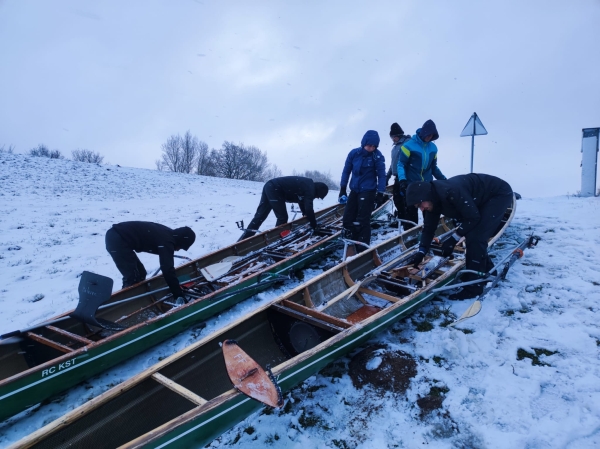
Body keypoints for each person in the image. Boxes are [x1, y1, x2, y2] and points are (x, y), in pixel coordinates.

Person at [406, 173, 513, 300]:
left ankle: (474, 287)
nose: (422, 209)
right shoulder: (432, 201)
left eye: (420, 205)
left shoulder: (451, 192)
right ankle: (487, 271)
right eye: (418, 207)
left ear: (426, 195)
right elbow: (428, 229)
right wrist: (421, 251)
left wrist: (454, 239)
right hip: (477, 198)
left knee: (476, 237)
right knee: (473, 235)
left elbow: (473, 217)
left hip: (497, 193)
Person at [105, 222, 196, 301]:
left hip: (118, 237)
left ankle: (138, 300)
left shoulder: (169, 234)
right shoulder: (167, 241)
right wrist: (178, 294)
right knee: (132, 278)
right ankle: (123, 305)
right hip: (117, 239)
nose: (178, 249)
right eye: (181, 247)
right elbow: (167, 270)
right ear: (180, 241)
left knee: (141, 274)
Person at [238, 176, 329, 241]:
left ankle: (244, 240)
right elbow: (309, 208)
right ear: (318, 190)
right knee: (282, 217)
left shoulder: (307, 185)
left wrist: (304, 214)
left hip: (270, 186)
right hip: (275, 189)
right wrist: (314, 225)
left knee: (260, 216)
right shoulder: (310, 188)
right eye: (318, 196)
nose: (316, 197)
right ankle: (276, 240)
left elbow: (302, 202)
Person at [339, 130, 386, 248]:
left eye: (374, 146)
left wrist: (380, 192)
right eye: (369, 145)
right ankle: (353, 242)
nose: (371, 148)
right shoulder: (354, 154)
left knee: (362, 220)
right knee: (347, 219)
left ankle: (363, 247)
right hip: (355, 189)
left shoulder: (378, 156)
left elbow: (381, 175)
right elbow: (346, 171)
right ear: (364, 143)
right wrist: (343, 188)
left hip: (368, 190)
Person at [396, 119, 447, 230]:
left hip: (427, 185)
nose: (429, 137)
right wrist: (402, 180)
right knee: (411, 215)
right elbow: (401, 165)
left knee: (429, 212)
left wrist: (444, 180)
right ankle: (409, 237)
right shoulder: (408, 146)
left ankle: (429, 235)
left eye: (432, 136)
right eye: (428, 135)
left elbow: (433, 167)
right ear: (423, 132)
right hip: (412, 184)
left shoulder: (433, 148)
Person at [385, 122, 412, 228]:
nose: (392, 139)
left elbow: (405, 162)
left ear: (397, 136)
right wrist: (387, 176)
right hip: (397, 177)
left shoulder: (407, 144)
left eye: (392, 137)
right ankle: (401, 219)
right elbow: (393, 164)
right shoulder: (395, 147)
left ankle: (408, 222)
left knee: (406, 200)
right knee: (397, 199)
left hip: (405, 177)